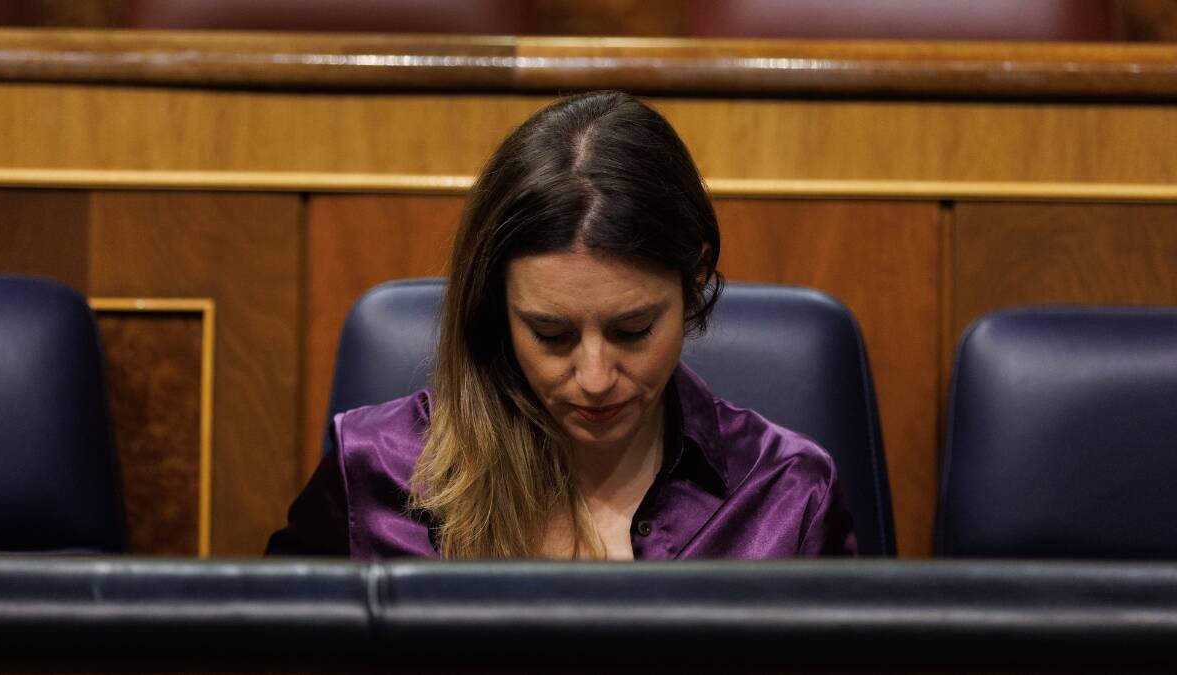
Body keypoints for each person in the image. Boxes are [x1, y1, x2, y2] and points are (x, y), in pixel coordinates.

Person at [267, 91, 856, 560]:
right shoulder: (373, 470)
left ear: (695, 279)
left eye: (633, 331)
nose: (595, 379)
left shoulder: (786, 493)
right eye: (551, 335)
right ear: (497, 308)